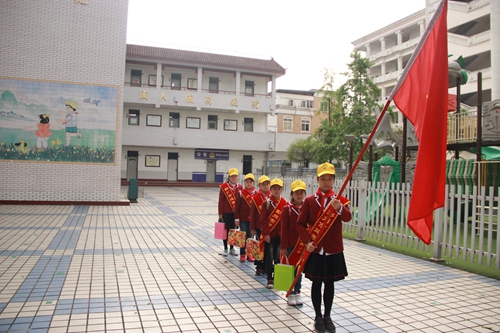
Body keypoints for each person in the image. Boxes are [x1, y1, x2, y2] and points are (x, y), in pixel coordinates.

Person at [296, 162, 352, 333]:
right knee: (316, 283)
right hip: (316, 249)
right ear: (317, 180)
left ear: (334, 180)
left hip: (333, 249)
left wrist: (340, 208)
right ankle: (318, 316)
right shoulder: (309, 201)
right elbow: (300, 224)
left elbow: (348, 218)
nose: (326, 182)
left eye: (330, 179)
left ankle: (328, 316)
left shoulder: (340, 200)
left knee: (330, 283)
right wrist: (307, 242)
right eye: (323, 179)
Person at [280, 179, 307, 306]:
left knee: (299, 269)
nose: (299, 195)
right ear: (292, 194)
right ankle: (290, 293)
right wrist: (283, 246)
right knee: (291, 268)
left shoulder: (307, 208)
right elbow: (283, 229)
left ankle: (297, 291)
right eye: (296, 193)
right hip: (290, 244)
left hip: (303, 244)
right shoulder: (287, 209)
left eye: (301, 193)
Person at [260, 178, 286, 289]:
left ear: (281, 190)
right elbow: (264, 220)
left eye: (278, 189)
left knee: (278, 257)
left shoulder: (285, 203)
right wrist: (266, 233)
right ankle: (269, 278)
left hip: (280, 235)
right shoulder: (266, 203)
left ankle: (277, 277)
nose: (276, 191)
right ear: (271, 190)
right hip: (269, 235)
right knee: (269, 257)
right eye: (274, 188)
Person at [218, 167, 242, 256]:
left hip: (235, 214)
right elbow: (221, 201)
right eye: (232, 176)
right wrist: (220, 214)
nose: (234, 178)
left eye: (235, 176)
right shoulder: (224, 187)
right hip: (226, 212)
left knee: (233, 231)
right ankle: (225, 248)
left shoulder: (240, 187)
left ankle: (232, 248)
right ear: (229, 177)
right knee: (226, 230)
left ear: (237, 177)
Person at [250, 175, 270, 276]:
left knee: (267, 249)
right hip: (259, 227)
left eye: (267, 184)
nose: (265, 186)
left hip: (270, 228)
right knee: (259, 247)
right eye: (263, 184)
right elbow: (253, 214)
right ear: (259, 185)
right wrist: (252, 228)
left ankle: (266, 267)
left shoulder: (272, 197)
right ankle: (259, 266)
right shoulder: (256, 198)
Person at [234, 173, 256, 262]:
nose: (249, 184)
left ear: (253, 183)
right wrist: (236, 219)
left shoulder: (256, 193)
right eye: (247, 182)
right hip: (243, 219)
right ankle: (242, 254)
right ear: (244, 183)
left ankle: (250, 255)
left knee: (250, 238)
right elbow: (237, 207)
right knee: (242, 237)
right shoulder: (240, 193)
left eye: (250, 182)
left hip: (252, 220)